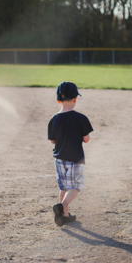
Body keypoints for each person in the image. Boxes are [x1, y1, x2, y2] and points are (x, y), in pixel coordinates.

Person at [48, 81, 93, 226]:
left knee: (64, 187)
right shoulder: (80, 118)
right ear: (75, 99)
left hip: (59, 158)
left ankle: (64, 215)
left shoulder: (53, 120)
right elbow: (86, 139)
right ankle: (61, 207)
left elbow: (52, 141)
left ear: (57, 100)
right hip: (75, 158)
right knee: (76, 186)